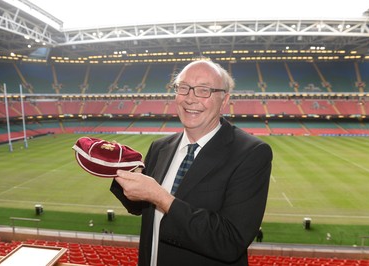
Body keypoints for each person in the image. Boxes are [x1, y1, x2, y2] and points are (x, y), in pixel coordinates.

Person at [110, 59, 273, 266]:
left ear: (224, 100)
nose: (190, 99)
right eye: (184, 88)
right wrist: (115, 168)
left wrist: (163, 198)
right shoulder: (160, 146)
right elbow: (141, 205)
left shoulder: (251, 153)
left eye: (204, 90)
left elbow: (229, 241)